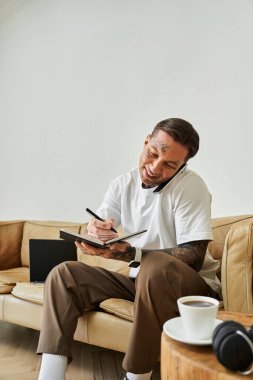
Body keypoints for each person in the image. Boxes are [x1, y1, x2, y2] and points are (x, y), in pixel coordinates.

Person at [37, 118, 221, 380]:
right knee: (63, 274)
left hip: (190, 288)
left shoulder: (191, 187)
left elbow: (192, 256)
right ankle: (50, 376)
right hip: (143, 282)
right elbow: (102, 224)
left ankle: (135, 376)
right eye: (153, 154)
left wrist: (130, 253)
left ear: (183, 166)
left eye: (170, 165)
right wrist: (97, 231)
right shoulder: (122, 184)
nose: (155, 167)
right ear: (146, 141)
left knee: (154, 265)